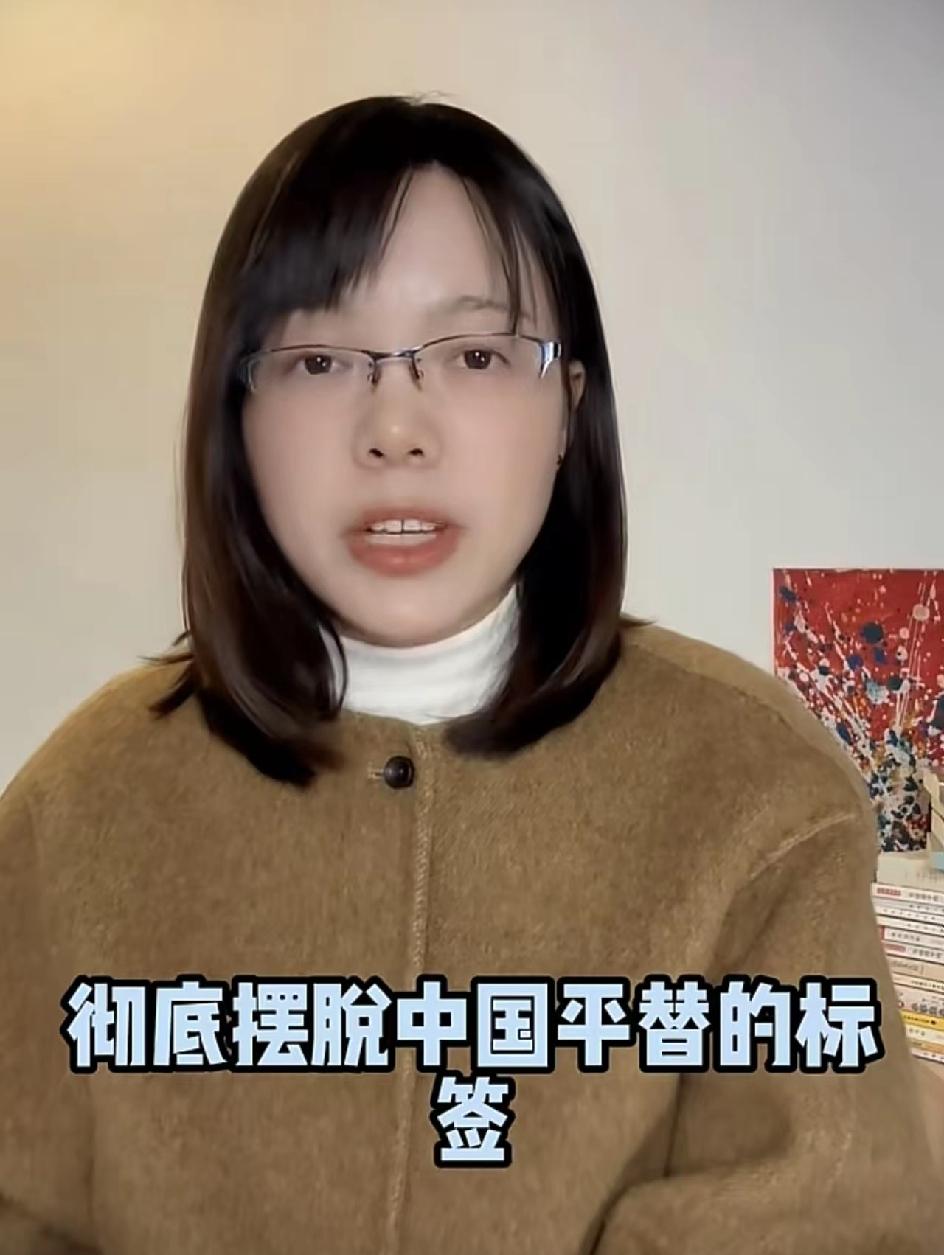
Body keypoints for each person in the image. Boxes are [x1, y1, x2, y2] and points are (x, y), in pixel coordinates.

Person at [0, 94, 939, 1255]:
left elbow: (832, 1219)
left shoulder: (757, 792)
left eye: (477, 354)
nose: (395, 427)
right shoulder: (76, 807)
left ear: (568, 410)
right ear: (234, 415)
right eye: (318, 358)